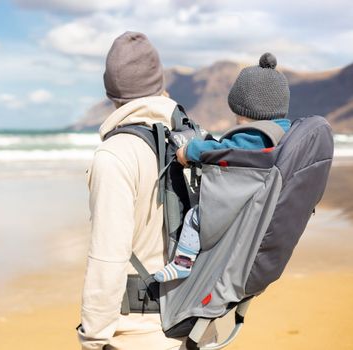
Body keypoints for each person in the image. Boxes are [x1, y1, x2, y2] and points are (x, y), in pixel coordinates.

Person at [77, 31, 217, 350]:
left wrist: (93, 338)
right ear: (159, 83)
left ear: (111, 91)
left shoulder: (115, 155)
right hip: (200, 325)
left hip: (141, 335)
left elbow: (108, 257)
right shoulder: (198, 141)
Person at [155, 52, 291, 283]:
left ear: (246, 112)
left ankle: (183, 263)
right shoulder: (282, 134)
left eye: (237, 114)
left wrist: (187, 152)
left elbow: (220, 151)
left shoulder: (254, 137)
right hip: (259, 203)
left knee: (194, 217)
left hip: (238, 203)